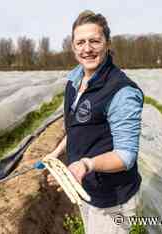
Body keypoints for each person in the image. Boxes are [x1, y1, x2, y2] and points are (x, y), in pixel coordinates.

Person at [46, 10, 144, 234]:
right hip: (86, 187)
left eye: (94, 41)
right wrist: (55, 153)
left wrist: (85, 165)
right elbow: (78, 129)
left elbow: (126, 156)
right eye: (80, 42)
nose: (87, 49)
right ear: (72, 46)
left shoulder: (122, 91)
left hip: (112, 198)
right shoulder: (74, 81)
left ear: (107, 44)